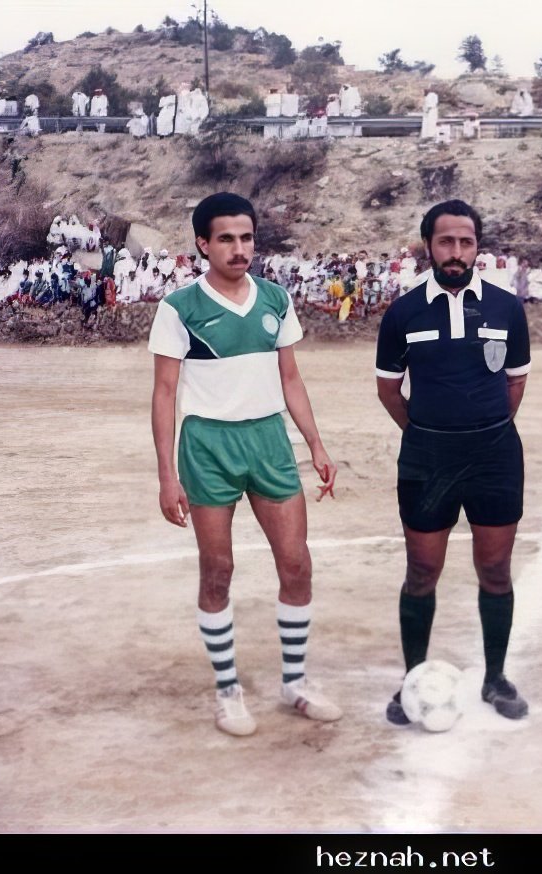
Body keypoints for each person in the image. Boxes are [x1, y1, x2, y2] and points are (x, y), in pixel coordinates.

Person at [148, 192, 341, 737]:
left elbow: (291, 379)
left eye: (247, 237)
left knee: (296, 563)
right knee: (218, 570)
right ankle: (228, 690)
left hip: (269, 441)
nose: (239, 248)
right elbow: (165, 394)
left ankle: (295, 682)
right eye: (226, 238)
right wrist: (167, 475)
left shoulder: (275, 299)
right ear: (203, 244)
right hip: (207, 446)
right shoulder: (179, 308)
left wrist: (316, 444)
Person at [375, 200, 533, 725]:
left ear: (477, 246)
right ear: (428, 246)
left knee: (495, 569)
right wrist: (426, 434)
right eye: (446, 241)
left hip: (494, 456)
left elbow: (515, 381)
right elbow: (389, 389)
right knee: (422, 570)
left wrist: (485, 429)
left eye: (466, 242)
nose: (456, 252)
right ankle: (412, 679)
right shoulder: (403, 313)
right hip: (428, 458)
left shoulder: (506, 308)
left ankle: (496, 677)